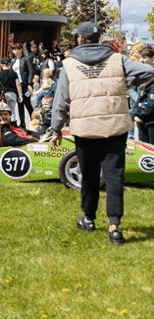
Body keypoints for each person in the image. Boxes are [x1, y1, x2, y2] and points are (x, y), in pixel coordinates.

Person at [48, 22, 154, 246]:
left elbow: (61, 101)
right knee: (114, 177)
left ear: (80, 39)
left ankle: (88, 218)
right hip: (114, 127)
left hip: (85, 129)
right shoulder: (118, 60)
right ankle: (114, 226)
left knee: (89, 175)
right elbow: (149, 71)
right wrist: (128, 83)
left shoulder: (68, 64)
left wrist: (55, 129)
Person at [11, 43, 33, 127]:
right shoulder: (13, 61)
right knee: (20, 104)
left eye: (16, 49)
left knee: (27, 103)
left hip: (25, 85)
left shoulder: (26, 59)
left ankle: (34, 120)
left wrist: (29, 84)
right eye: (13, 50)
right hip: (17, 85)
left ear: (21, 50)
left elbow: (31, 71)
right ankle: (22, 123)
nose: (15, 51)